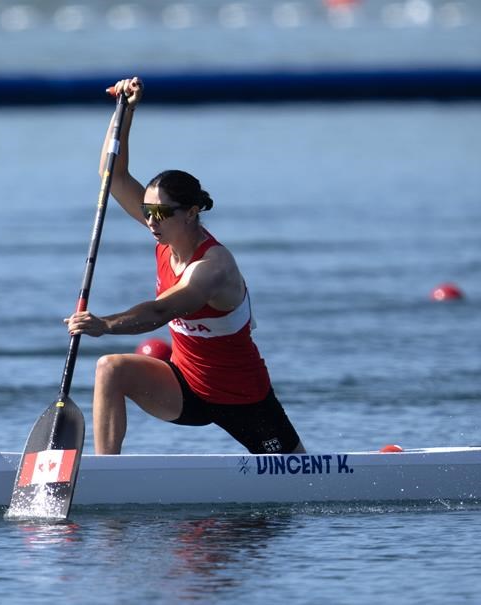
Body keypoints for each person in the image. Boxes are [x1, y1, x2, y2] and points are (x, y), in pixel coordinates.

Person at [65, 76, 305, 456]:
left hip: (243, 397)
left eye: (160, 212)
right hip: (184, 387)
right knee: (111, 369)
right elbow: (113, 177)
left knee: (296, 485)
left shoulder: (213, 266)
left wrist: (104, 325)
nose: (151, 220)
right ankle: (104, 472)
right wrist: (124, 112)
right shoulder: (163, 237)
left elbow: (161, 310)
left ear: (192, 213)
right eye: (147, 211)